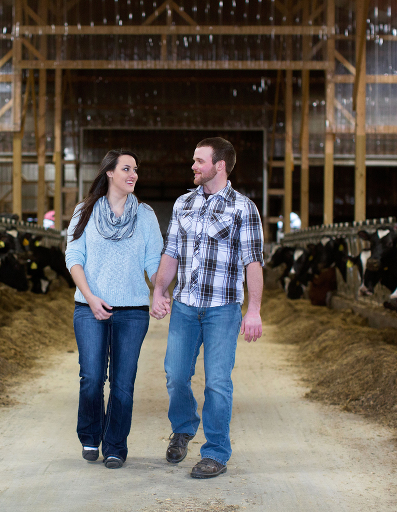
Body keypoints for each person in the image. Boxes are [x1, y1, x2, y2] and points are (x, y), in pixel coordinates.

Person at [151, 137, 264, 479]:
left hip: (222, 310)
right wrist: (159, 291)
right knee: (175, 375)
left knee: (217, 382)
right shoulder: (183, 203)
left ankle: (215, 452)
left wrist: (254, 310)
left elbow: (253, 262)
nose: (193, 166)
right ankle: (184, 427)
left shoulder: (243, 208)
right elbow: (171, 253)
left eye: (199, 161)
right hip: (185, 306)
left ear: (219, 166)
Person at [65, 149, 164, 469]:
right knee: (91, 377)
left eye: (136, 169)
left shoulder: (146, 215)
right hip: (89, 307)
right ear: (109, 172)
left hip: (133, 310)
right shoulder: (85, 211)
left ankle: (115, 445)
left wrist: (159, 290)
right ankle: (90, 435)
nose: (133, 174)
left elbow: (153, 261)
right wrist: (90, 296)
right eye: (126, 168)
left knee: (122, 382)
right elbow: (73, 257)